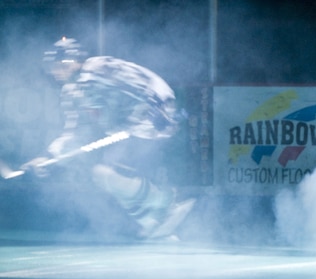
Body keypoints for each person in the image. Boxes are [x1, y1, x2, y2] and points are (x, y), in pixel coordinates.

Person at [24, 37, 195, 240]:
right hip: (126, 130)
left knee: (108, 172)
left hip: (151, 121)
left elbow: (146, 82)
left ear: (75, 60)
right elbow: (75, 133)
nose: (56, 71)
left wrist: (160, 107)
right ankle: (155, 221)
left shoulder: (98, 68)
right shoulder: (70, 93)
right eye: (53, 67)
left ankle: (167, 201)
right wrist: (47, 155)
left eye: (61, 64)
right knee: (104, 175)